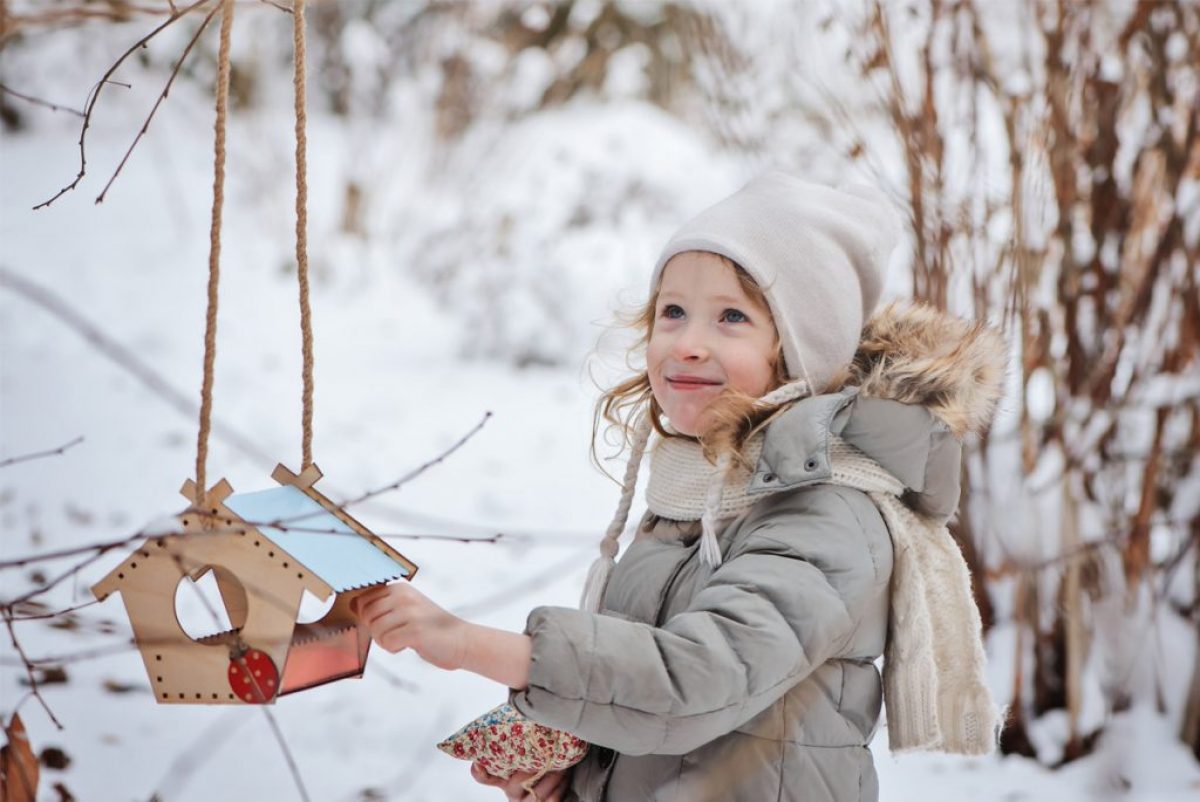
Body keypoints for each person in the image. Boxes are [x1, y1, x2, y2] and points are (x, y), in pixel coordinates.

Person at [353, 171, 1006, 801]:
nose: (688, 343)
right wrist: (579, 766)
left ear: (800, 351)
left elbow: (697, 679)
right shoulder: (694, 492)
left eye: (731, 318)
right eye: (673, 311)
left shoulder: (831, 512)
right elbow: (647, 701)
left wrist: (466, 643)